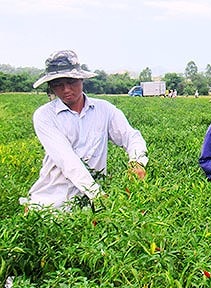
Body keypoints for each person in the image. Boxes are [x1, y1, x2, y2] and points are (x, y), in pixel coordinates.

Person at [19, 50, 148, 211]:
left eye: (71, 82)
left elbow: (131, 136)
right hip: (52, 203)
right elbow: (67, 161)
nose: (66, 89)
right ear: (51, 87)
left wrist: (137, 161)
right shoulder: (45, 116)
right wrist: (97, 195)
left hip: (90, 204)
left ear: (81, 79)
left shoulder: (104, 110)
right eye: (58, 84)